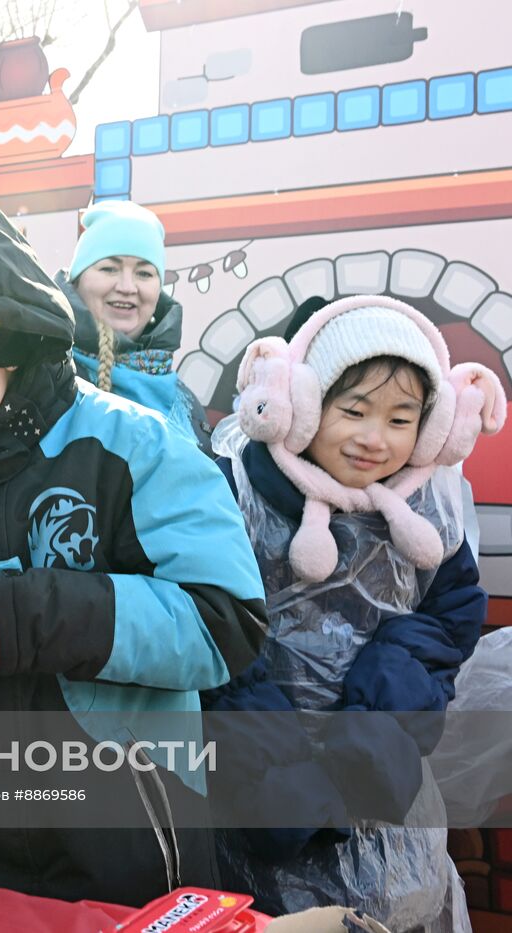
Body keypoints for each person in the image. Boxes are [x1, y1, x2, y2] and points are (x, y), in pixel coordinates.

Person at [0, 180, 269, 904]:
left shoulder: (136, 448)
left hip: (128, 855)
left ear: (8, 334)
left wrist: (17, 621)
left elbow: (227, 623)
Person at [206, 295, 504, 928]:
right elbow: (212, 636)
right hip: (255, 802)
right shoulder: (229, 494)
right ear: (301, 405)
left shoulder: (432, 508)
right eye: (353, 410)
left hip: (388, 797)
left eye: (401, 419)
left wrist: (378, 721)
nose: (375, 439)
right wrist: (275, 766)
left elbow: (450, 619)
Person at [53, 200, 213, 452]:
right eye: (109, 268)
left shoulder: (184, 401)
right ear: (76, 281)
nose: (127, 287)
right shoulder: (47, 376)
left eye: (144, 273)